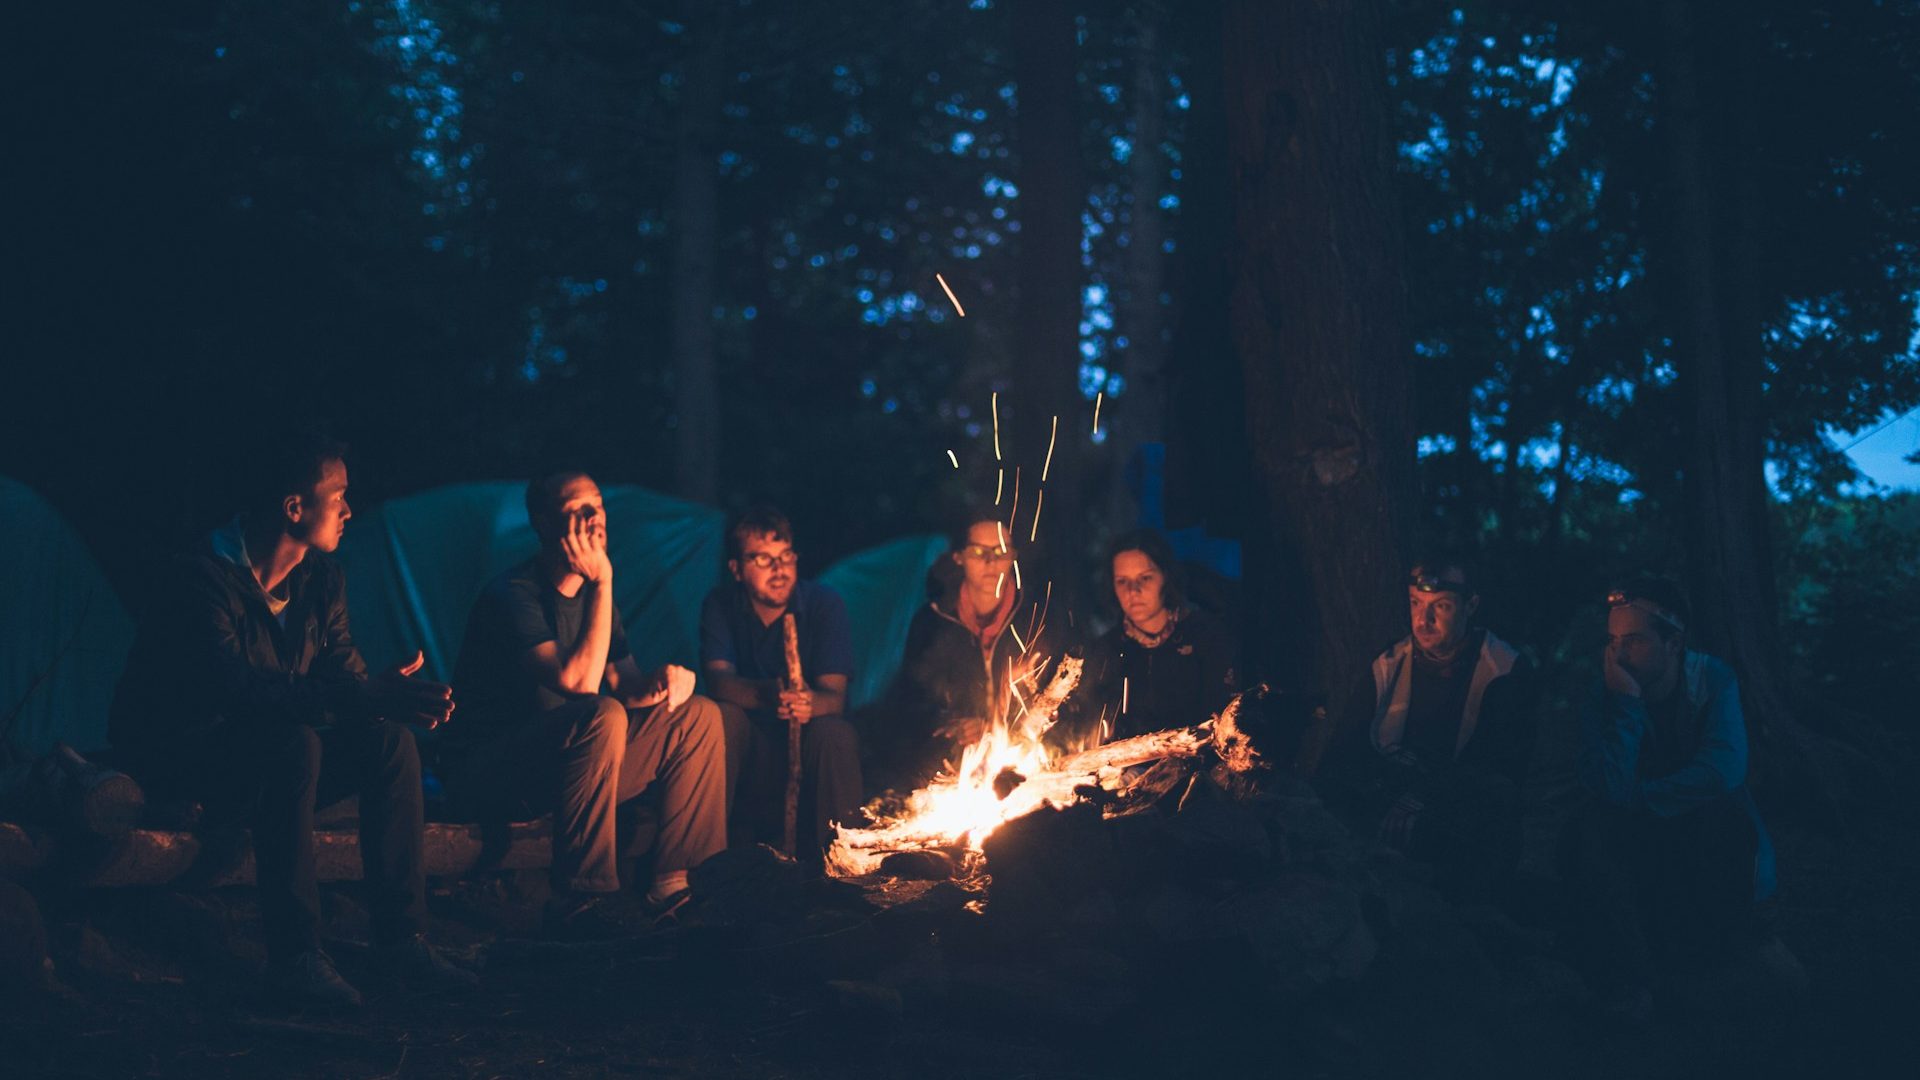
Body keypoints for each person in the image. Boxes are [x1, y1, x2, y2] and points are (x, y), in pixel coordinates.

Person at [110, 433, 474, 1007]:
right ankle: (296, 956)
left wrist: (379, 697)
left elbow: (338, 673)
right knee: (294, 744)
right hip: (188, 767)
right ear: (294, 507)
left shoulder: (320, 579)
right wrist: (360, 694)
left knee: (387, 743)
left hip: (270, 762)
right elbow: (239, 691)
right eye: (339, 497)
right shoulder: (201, 579)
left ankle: (403, 939)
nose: (350, 511)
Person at [445, 471, 728, 932]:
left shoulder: (598, 601)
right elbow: (578, 682)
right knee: (601, 713)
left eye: (597, 507)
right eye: (578, 510)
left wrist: (665, 681)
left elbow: (625, 682)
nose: (595, 519)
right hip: (496, 774)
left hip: (573, 770)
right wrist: (603, 582)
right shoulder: (513, 595)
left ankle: (676, 885)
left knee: (696, 716)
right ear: (543, 523)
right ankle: (584, 896)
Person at [1560, 577, 1776, 1014]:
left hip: (1692, 821)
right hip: (1631, 828)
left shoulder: (1711, 679)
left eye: (1634, 640)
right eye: (1613, 640)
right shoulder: (1606, 691)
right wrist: (1626, 706)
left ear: (1673, 642)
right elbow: (1603, 786)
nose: (1618, 654)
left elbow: (1722, 770)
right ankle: (1634, 981)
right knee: (1584, 834)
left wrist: (1642, 799)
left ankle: (1716, 957)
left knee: (1723, 821)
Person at [1323, 554, 1538, 904]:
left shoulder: (1503, 670)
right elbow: (1342, 750)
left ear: (1471, 605)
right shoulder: (1390, 664)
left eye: (1441, 606)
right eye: (1415, 604)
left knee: (1492, 806)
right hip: (1391, 798)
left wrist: (1425, 798)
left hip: (1457, 808)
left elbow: (1500, 766)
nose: (1424, 620)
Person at [699, 506, 861, 859]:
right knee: (720, 718)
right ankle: (707, 860)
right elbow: (718, 681)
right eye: (762, 559)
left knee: (834, 732)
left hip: (807, 741)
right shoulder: (722, 605)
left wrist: (807, 703)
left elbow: (834, 696)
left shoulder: (823, 605)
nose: (779, 570)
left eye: (785, 556)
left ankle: (842, 862)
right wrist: (767, 696)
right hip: (752, 744)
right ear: (737, 569)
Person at [881, 513, 1057, 784]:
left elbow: (1057, 698)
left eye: (1001, 551)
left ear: (1014, 557)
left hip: (1025, 752)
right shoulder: (933, 621)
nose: (991, 562)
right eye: (978, 551)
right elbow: (912, 701)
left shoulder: (1035, 618)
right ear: (959, 558)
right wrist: (954, 722)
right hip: (953, 758)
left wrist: (995, 726)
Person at [1063, 528, 1241, 745]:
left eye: (1145, 578)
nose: (1133, 591)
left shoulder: (1205, 636)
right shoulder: (1105, 651)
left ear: (1165, 577)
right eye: (1122, 581)